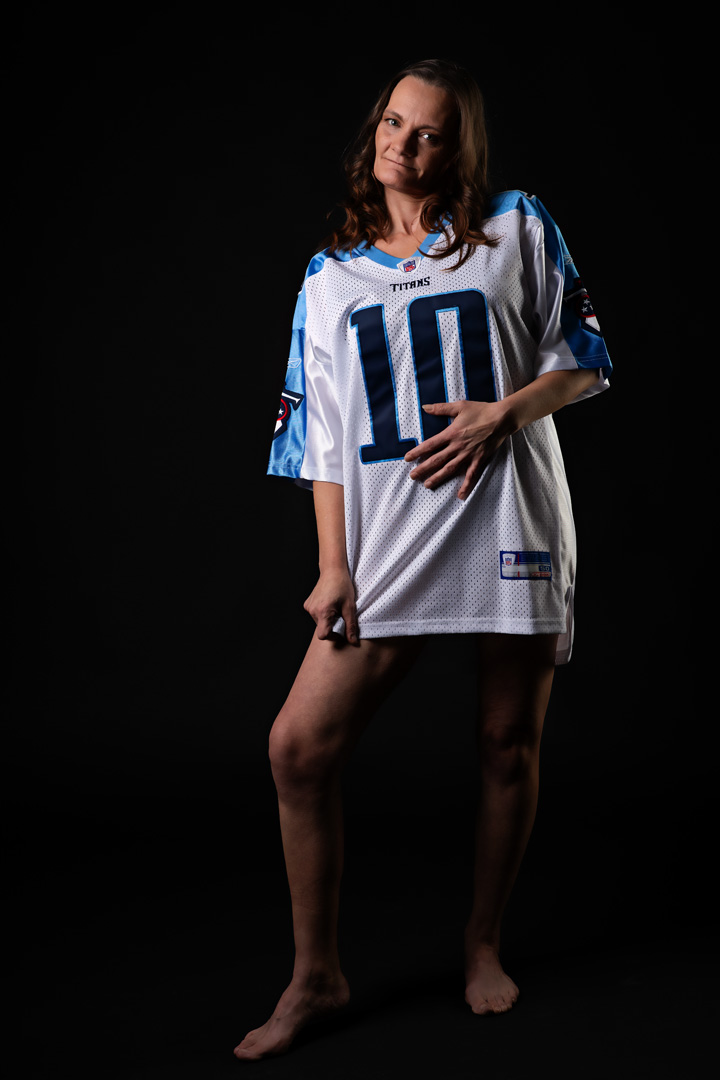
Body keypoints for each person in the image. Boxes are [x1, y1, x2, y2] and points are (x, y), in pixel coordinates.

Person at [235, 58, 611, 1061]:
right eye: (394, 123)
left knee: (505, 743)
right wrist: (334, 566)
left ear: (458, 147)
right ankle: (316, 976)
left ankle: (482, 944)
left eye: (430, 132)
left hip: (509, 520)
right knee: (297, 749)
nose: (404, 145)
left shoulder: (516, 227)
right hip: (390, 541)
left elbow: (583, 362)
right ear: (376, 129)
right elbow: (320, 440)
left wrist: (504, 413)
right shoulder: (330, 276)